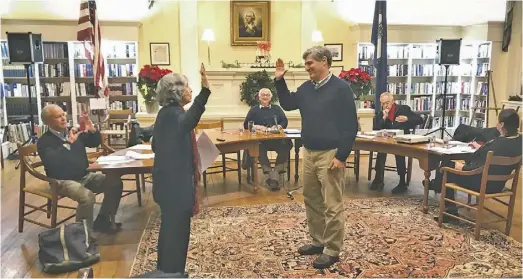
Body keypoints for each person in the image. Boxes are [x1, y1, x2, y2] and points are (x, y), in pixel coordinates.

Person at [274, 46, 358, 269]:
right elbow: (288, 104)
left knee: (332, 204)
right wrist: (279, 80)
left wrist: (342, 156)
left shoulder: (341, 88)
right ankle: (318, 241)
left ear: (324, 62)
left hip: (331, 154)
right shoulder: (306, 88)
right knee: (312, 199)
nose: (307, 67)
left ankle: (332, 249)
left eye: (310, 63)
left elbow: (351, 125)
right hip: (308, 153)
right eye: (306, 63)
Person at [151, 63, 211, 275]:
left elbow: (155, 145)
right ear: (176, 93)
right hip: (174, 187)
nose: (190, 91)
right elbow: (189, 121)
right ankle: (173, 273)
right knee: (176, 234)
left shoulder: (167, 115)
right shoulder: (173, 115)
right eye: (187, 87)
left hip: (169, 185)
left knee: (170, 231)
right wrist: (205, 91)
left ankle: (167, 270)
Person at [37, 104, 123, 233]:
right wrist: (68, 143)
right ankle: (82, 235)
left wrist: (91, 128)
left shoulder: (73, 132)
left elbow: (94, 142)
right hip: (62, 181)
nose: (63, 118)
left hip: (85, 175)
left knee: (114, 183)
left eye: (63, 114)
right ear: (48, 121)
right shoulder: (44, 141)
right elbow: (54, 163)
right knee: (87, 197)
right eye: (58, 117)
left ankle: (103, 220)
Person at [430, 108, 522, 221]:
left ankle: (450, 210)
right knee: (449, 165)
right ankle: (436, 185)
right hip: (498, 185)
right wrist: (483, 149)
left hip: (481, 183)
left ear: (502, 124)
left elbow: (478, 168)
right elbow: (493, 157)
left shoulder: (497, 143)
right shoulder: (518, 142)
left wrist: (462, 167)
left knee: (447, 166)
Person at [371, 92, 423, 193]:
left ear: (393, 101)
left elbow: (419, 119)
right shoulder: (382, 113)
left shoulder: (403, 109)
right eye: (383, 103)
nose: (385, 106)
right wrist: (383, 118)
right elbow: (376, 128)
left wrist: (407, 119)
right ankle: (379, 179)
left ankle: (402, 182)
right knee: (380, 151)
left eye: (387, 103)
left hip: (401, 141)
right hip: (386, 141)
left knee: (399, 154)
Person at [243, 88, 292, 190]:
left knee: (285, 146)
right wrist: (257, 127)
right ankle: (270, 175)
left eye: (267, 95)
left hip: (276, 140)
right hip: (261, 141)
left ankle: (275, 175)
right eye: (263, 95)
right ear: (259, 97)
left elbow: (284, 121)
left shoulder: (277, 109)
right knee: (258, 150)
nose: (265, 97)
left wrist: (279, 126)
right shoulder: (254, 110)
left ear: (270, 97)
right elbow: (246, 125)